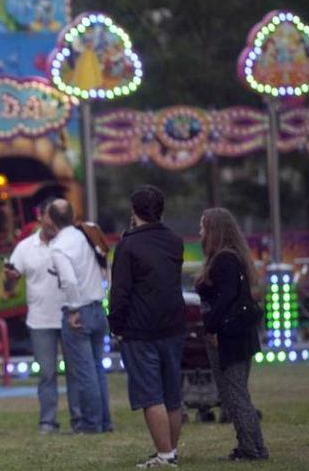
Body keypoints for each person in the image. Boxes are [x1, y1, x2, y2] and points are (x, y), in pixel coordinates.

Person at [108, 186, 186, 468]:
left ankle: (164, 456)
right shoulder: (174, 241)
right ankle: (171, 451)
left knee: (151, 395)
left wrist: (116, 324)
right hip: (174, 326)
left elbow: (120, 292)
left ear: (134, 212)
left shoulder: (128, 245)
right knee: (172, 395)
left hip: (140, 330)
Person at [196, 208, 268, 462]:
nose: (200, 232)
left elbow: (226, 297)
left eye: (203, 226)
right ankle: (254, 446)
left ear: (214, 230)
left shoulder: (224, 260)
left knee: (234, 394)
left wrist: (211, 326)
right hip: (238, 334)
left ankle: (251, 448)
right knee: (236, 393)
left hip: (228, 337)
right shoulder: (232, 257)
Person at [48, 198, 112, 434]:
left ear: (52, 220)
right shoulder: (88, 232)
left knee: (84, 373)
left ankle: (91, 424)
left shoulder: (59, 246)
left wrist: (74, 310)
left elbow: (68, 280)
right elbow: (105, 262)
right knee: (97, 369)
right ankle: (105, 422)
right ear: (73, 215)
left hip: (79, 310)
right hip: (97, 306)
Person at [5, 198, 68, 434]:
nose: (54, 222)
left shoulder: (69, 243)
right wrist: (9, 278)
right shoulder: (24, 247)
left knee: (77, 372)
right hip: (40, 320)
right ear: (40, 217)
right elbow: (9, 287)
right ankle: (48, 421)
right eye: (50, 216)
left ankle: (83, 420)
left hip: (70, 316)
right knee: (46, 374)